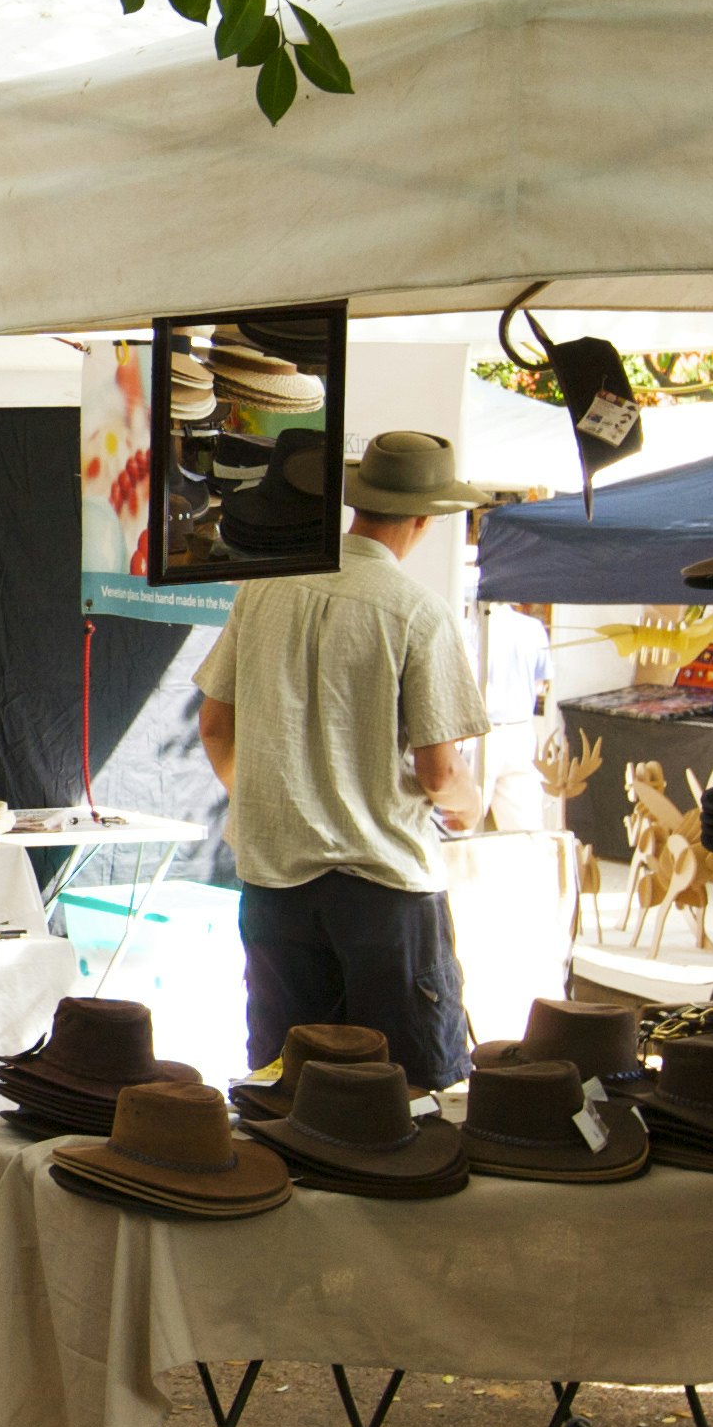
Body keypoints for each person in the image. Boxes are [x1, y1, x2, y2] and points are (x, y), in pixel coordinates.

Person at [192, 431, 488, 1086]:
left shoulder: (265, 588)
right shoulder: (418, 613)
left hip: (274, 887)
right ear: (426, 518)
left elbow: (214, 727)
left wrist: (276, 796)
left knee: (288, 1090)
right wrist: (471, 808)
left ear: (358, 505)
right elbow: (442, 775)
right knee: (411, 1092)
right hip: (383, 892)